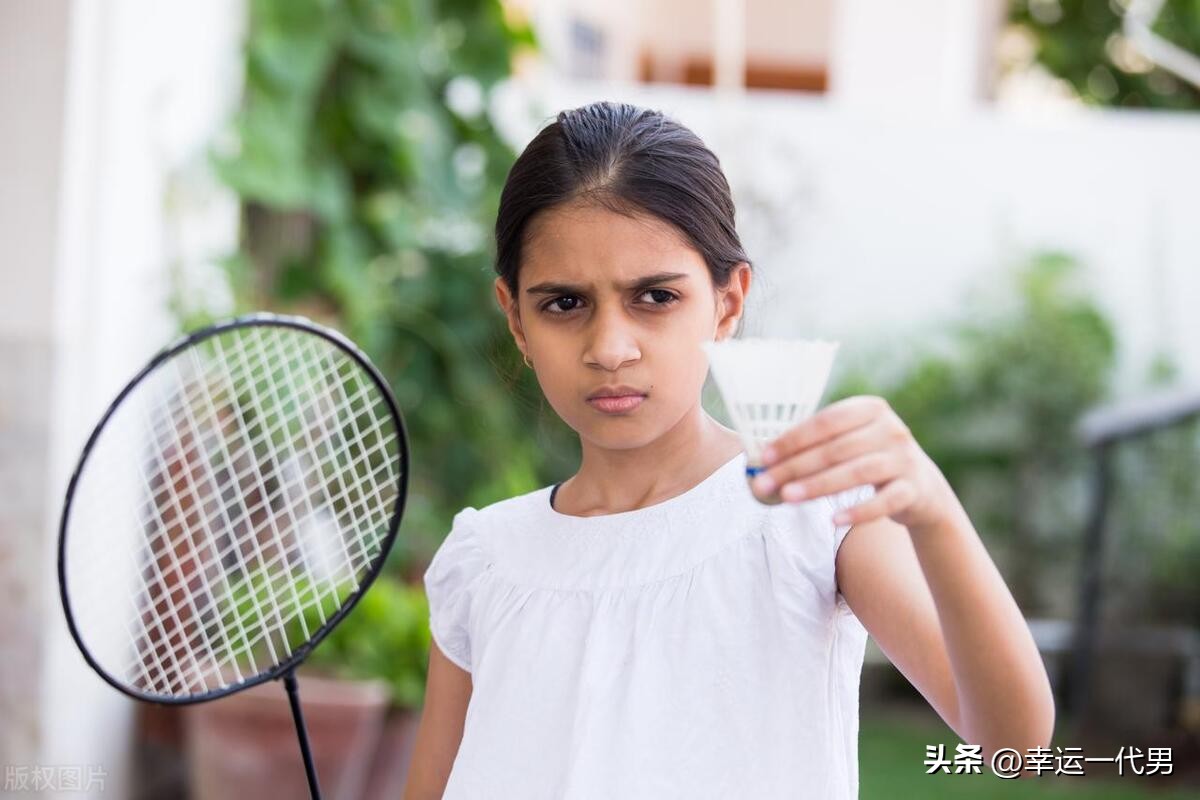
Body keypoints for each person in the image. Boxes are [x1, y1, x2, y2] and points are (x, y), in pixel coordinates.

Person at [403, 100, 1054, 799]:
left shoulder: (812, 510)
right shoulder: (485, 561)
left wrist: (931, 508)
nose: (610, 348)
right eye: (565, 303)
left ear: (728, 301)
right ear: (517, 320)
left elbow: (1014, 744)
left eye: (654, 296)